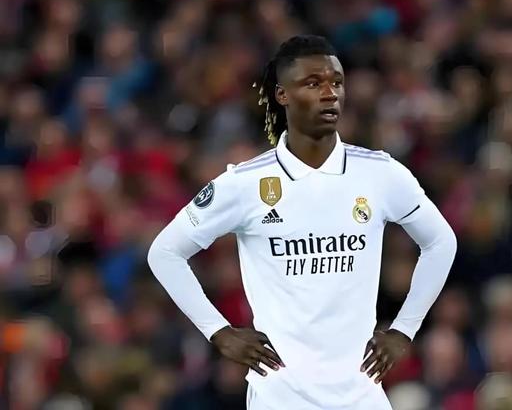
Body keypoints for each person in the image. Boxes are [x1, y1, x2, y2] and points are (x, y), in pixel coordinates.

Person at [147, 35, 457, 410]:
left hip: (361, 394)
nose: (330, 94)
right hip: (280, 396)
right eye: (313, 83)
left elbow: (441, 242)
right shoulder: (245, 183)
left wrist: (404, 329)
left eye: (337, 82)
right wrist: (219, 332)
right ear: (282, 95)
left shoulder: (379, 173)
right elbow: (165, 253)